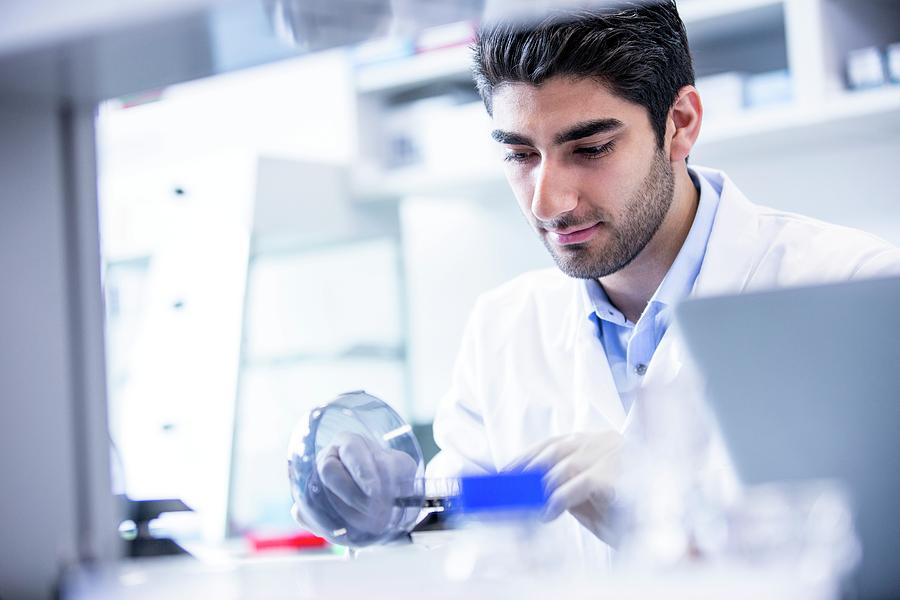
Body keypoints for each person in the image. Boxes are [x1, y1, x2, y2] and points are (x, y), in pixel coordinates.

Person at [292, 0, 900, 564]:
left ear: (681, 123)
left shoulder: (856, 288)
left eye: (591, 148)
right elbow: (470, 534)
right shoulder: (504, 327)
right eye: (519, 155)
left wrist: (669, 525)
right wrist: (394, 514)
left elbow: (875, 562)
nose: (547, 201)